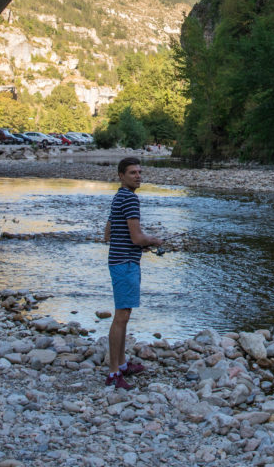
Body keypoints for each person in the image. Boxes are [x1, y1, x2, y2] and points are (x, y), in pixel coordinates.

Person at [102, 156, 163, 389]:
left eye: (139, 172)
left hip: (119, 260)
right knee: (121, 317)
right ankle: (114, 374)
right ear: (121, 176)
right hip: (125, 263)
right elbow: (136, 236)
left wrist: (137, 244)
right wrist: (154, 240)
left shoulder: (119, 196)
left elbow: (107, 233)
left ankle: (122, 364)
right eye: (132, 173)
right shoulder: (130, 199)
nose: (138, 176)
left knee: (123, 314)